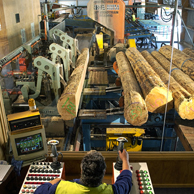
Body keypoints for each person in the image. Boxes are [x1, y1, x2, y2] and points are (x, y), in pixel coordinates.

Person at [34, 149, 132, 194]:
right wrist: (125, 160)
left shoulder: (61, 188)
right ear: (104, 172)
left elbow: (38, 192)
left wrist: (57, 180)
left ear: (81, 170)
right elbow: (126, 179)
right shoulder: (113, 191)